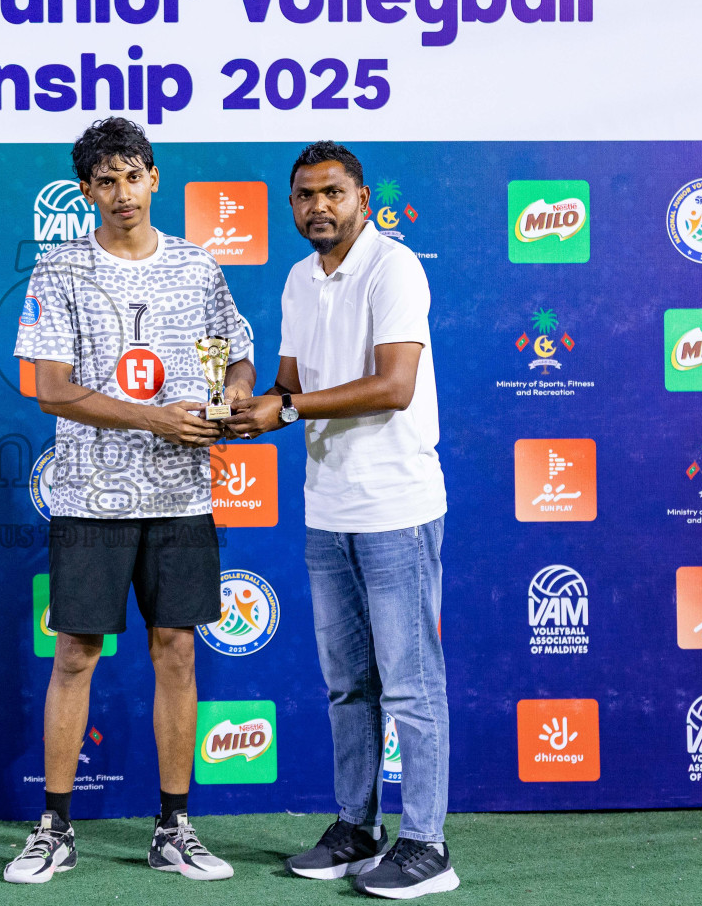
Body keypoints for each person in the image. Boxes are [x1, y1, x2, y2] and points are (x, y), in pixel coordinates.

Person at [4, 117, 254, 885]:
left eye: (132, 175)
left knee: (175, 651)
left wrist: (232, 400)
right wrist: (154, 416)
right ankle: (53, 828)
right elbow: (50, 388)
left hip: (181, 495)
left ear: (155, 177)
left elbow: (235, 354)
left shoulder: (198, 266)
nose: (121, 192)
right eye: (104, 181)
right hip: (89, 496)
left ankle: (174, 829)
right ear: (86, 193)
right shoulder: (59, 269)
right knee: (75, 654)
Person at [227, 141, 457, 899]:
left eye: (332, 192)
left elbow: (394, 385)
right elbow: (289, 385)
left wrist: (287, 405)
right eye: (303, 196)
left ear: (362, 198)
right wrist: (240, 407)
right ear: (290, 206)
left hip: (396, 506)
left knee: (410, 687)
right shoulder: (299, 279)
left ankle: (428, 844)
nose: (317, 206)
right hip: (326, 507)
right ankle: (358, 829)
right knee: (346, 684)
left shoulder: (394, 267)